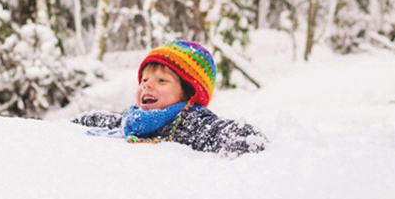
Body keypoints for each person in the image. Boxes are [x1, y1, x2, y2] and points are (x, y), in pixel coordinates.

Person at [72, 40, 268, 157]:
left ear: (188, 92)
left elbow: (227, 133)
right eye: (144, 80)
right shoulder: (132, 121)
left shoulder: (192, 122)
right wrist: (78, 122)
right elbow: (110, 121)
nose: (147, 85)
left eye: (162, 80)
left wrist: (244, 139)